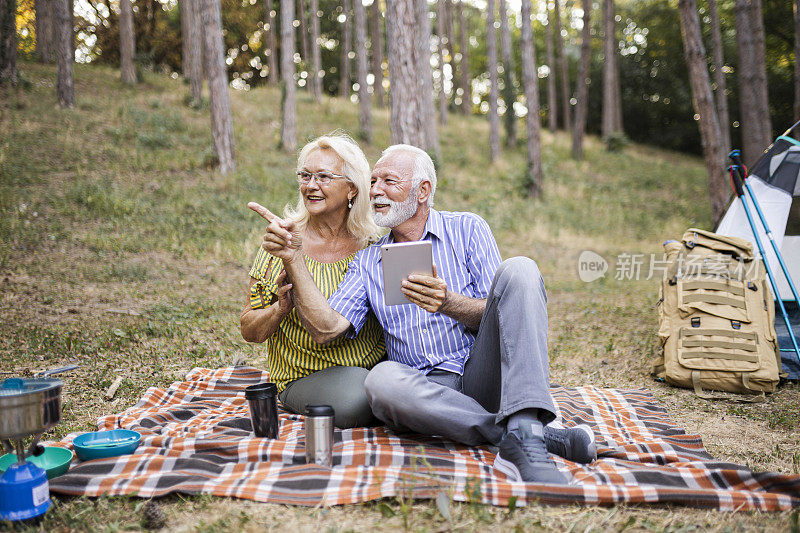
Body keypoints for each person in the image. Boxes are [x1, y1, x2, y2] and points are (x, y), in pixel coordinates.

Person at [251, 144, 596, 484]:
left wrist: (449, 303)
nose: (376, 191)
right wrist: (294, 257)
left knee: (520, 269)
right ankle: (526, 434)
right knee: (381, 380)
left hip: (483, 372)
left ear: (422, 191)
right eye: (372, 182)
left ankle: (523, 429)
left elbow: (504, 316)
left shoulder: (468, 229)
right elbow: (327, 328)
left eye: (389, 181)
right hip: (425, 392)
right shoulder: (370, 260)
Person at [241, 134, 385, 429]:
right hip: (305, 377)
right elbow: (249, 329)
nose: (310, 185)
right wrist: (278, 310)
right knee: (367, 397)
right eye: (305, 175)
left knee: (395, 387)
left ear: (352, 189)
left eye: (323, 177)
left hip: (375, 369)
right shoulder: (282, 241)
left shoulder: (374, 245)